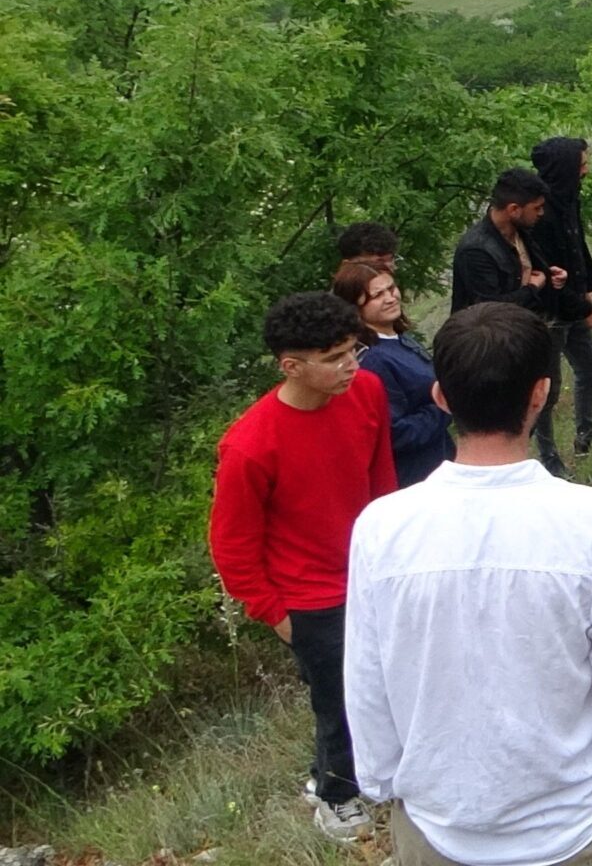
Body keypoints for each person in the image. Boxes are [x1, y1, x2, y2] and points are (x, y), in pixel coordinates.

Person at [346, 303, 592, 866]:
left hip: (441, 823)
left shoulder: (382, 527)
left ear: (442, 398)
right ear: (541, 393)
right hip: (583, 820)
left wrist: (381, 780)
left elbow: (366, 678)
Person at [208, 291, 395, 843]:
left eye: (352, 349)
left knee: (387, 683)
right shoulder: (248, 445)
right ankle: (335, 797)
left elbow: (381, 479)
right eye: (335, 357)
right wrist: (274, 613)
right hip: (308, 597)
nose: (351, 365)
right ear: (292, 365)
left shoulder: (367, 391)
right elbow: (232, 543)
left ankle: (357, 778)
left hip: (371, 573)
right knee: (338, 701)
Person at [447, 168, 567, 472]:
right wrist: (533, 288)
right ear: (513, 209)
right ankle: (518, 462)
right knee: (507, 406)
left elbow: (533, 268)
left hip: (529, 330)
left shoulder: (521, 232)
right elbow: (491, 306)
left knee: (544, 394)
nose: (541, 214)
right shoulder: (476, 249)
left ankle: (547, 457)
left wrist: (551, 276)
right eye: (536, 208)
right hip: (494, 344)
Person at [333, 262, 452, 489]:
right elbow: (395, 434)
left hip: (440, 460)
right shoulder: (373, 361)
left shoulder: (397, 337)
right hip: (415, 478)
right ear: (355, 307)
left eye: (391, 288)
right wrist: (445, 405)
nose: (390, 298)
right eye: (377, 295)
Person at [529, 137, 592, 457]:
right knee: (547, 390)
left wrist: (586, 288)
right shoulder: (541, 214)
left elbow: (577, 250)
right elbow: (549, 273)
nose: (586, 170)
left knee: (589, 368)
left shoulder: (567, 200)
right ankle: (548, 458)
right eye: (580, 164)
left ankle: (585, 436)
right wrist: (587, 308)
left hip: (573, 304)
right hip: (550, 313)